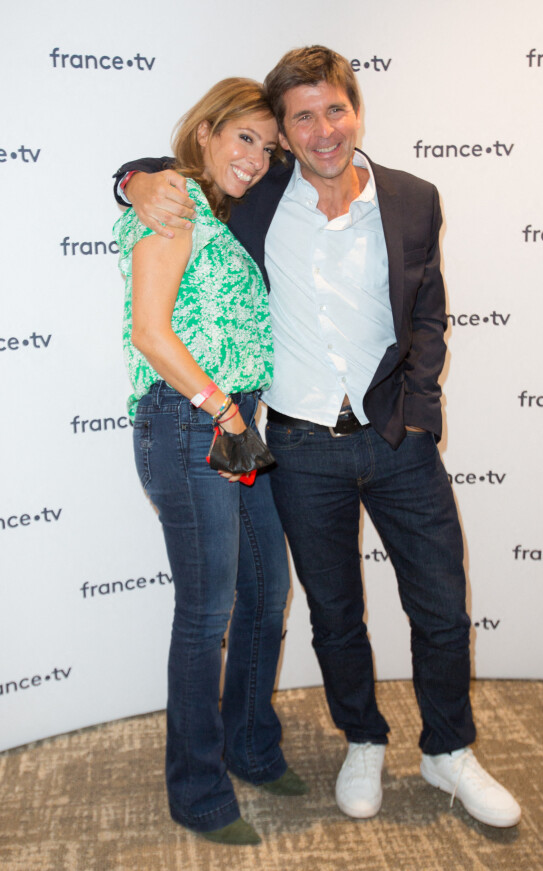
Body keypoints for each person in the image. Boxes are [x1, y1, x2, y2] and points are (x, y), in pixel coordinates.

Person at [114, 46, 521, 829]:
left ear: (356, 110)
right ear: (286, 134)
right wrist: (136, 177)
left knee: (440, 606)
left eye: (333, 109)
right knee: (333, 613)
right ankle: (361, 738)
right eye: (299, 118)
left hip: (395, 438)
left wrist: (421, 410)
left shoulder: (412, 198)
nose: (320, 130)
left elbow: (429, 314)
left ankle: (450, 749)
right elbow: (189, 170)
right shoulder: (260, 196)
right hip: (297, 448)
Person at [113, 77, 308, 847]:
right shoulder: (173, 205)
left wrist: (238, 416)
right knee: (206, 616)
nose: (257, 159)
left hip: (233, 423)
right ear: (204, 136)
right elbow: (152, 334)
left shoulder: (217, 217)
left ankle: (251, 746)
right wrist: (224, 409)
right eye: (243, 139)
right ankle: (196, 788)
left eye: (268, 145)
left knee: (264, 594)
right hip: (192, 423)